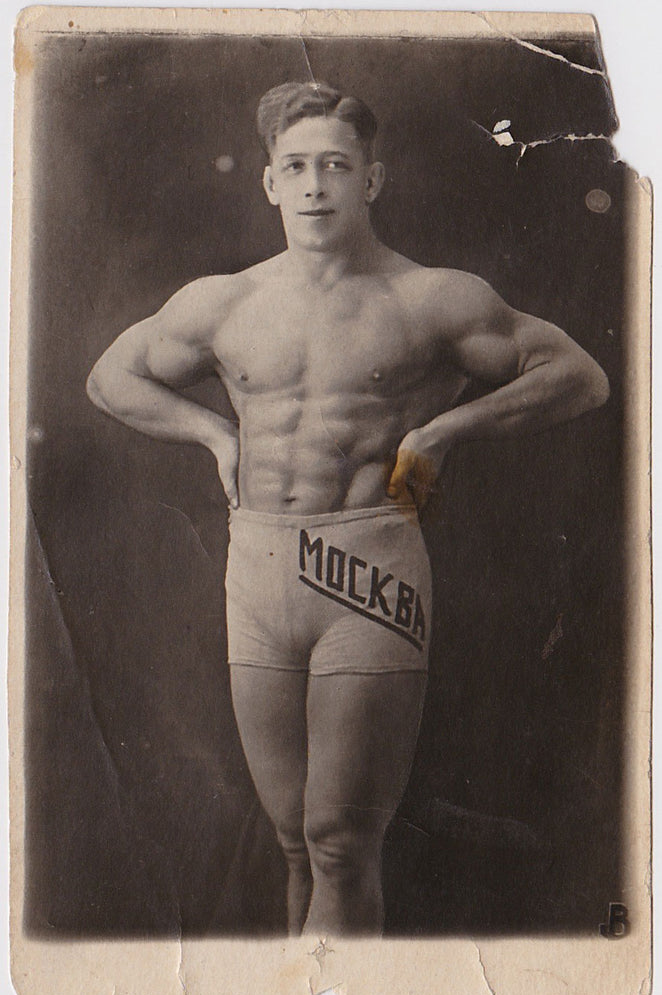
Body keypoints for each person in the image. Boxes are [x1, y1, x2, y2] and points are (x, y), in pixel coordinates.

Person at [86, 81, 610, 937]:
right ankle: (314, 992)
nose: (315, 185)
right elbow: (110, 376)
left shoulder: (431, 297)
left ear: (371, 178)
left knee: (340, 841)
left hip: (367, 566)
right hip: (257, 565)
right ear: (270, 183)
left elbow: (579, 376)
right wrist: (213, 434)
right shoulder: (224, 300)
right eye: (296, 167)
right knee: (296, 841)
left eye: (335, 164)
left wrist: (444, 430)